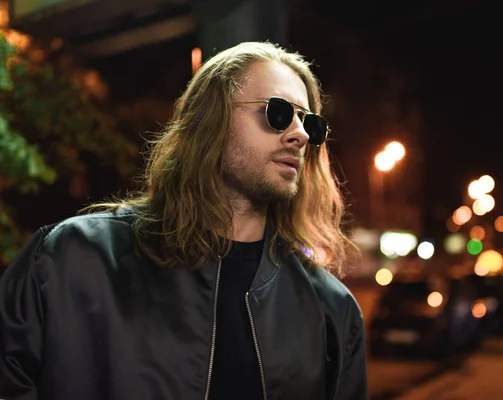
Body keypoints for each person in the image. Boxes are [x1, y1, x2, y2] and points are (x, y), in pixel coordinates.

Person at [0, 41, 368, 400]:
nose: (300, 135)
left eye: (310, 123)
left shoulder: (330, 310)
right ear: (211, 120)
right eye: (279, 112)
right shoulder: (72, 259)